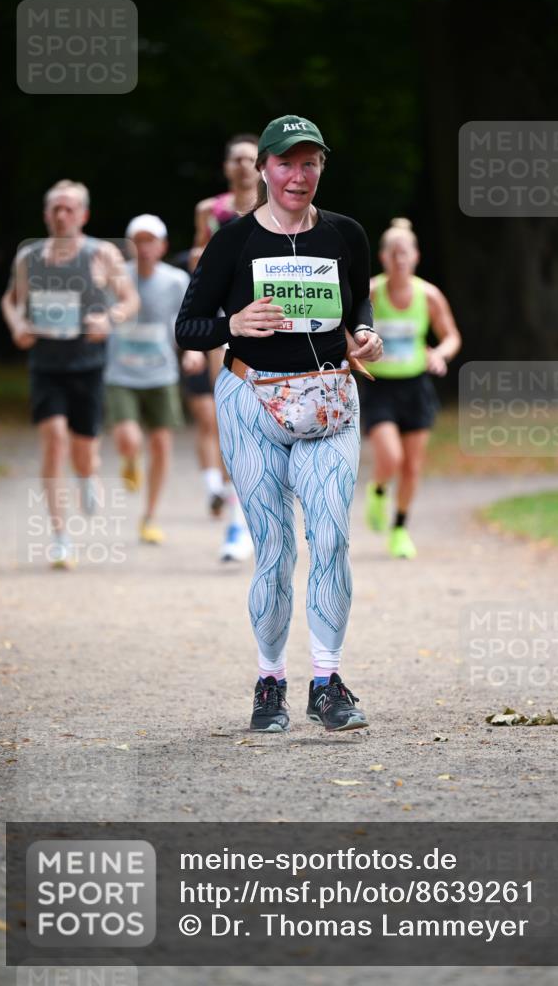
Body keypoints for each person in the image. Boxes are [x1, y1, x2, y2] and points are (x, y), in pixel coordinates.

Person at [176, 114, 383, 733]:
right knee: (274, 547)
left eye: (310, 162)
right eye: (286, 163)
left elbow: (360, 303)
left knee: (332, 537)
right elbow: (187, 327)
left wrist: (366, 334)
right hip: (251, 400)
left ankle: (328, 681)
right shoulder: (233, 241)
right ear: (263, 169)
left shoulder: (346, 234)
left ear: (322, 167)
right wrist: (232, 325)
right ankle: (271, 681)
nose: (299, 175)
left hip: (327, 403)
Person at [0, 179, 139, 568]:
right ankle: (61, 537)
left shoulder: (102, 254)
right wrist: (16, 326)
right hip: (46, 364)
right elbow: (10, 302)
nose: (62, 215)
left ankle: (88, 475)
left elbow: (130, 300)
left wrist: (109, 317)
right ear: (46, 215)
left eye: (69, 209)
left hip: (87, 365)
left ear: (83, 215)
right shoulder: (29, 256)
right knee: (54, 439)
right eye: (55, 209)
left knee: (83, 452)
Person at [362, 218, 461, 559]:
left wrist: (440, 355)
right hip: (379, 386)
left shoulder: (428, 295)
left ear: (415, 256)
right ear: (383, 257)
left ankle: (400, 528)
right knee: (391, 457)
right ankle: (376, 490)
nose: (399, 260)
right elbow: (348, 329)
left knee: (412, 467)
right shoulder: (372, 292)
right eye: (393, 254)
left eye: (405, 253)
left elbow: (451, 337)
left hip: (416, 387)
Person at [183, 134, 260, 560]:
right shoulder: (209, 211)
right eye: (237, 159)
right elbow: (198, 269)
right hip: (225, 322)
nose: (244, 165)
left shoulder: (276, 208)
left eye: (251, 158)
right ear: (227, 166)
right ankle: (236, 524)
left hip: (269, 319)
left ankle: (266, 510)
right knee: (228, 415)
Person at [105, 215, 189, 543]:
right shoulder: (116, 278)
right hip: (121, 372)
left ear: (163, 246)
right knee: (128, 438)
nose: (144, 247)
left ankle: (150, 516)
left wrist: (194, 351)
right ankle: (129, 459)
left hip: (161, 372)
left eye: (150, 240)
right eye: (138, 241)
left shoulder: (175, 280)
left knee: (161, 444)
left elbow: (188, 322)